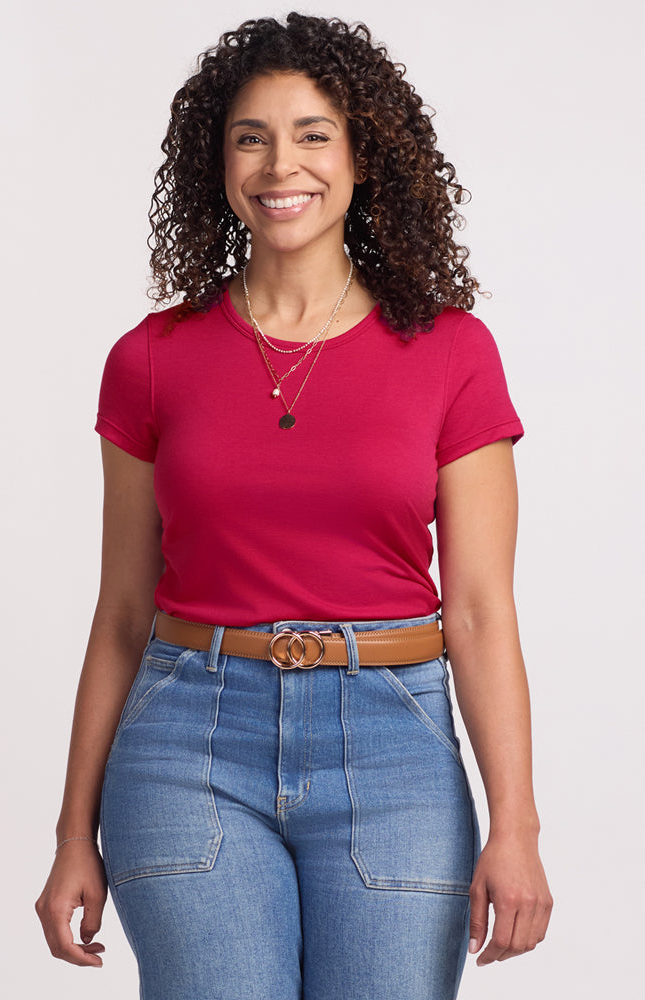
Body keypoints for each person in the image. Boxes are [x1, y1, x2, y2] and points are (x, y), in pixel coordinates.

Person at [35, 12, 552, 999]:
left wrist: (516, 827)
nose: (282, 165)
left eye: (314, 134)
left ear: (362, 158)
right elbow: (122, 613)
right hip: (185, 745)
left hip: (394, 747)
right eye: (251, 137)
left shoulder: (452, 352)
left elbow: (481, 611)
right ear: (218, 163)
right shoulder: (150, 359)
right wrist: (71, 835)